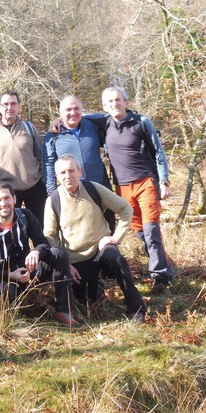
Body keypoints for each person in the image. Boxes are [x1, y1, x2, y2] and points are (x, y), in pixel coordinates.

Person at [44, 156, 145, 321]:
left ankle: (137, 309)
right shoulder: (53, 200)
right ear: (57, 176)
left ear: (80, 171)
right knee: (88, 300)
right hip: (75, 262)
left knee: (116, 259)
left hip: (101, 250)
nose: (67, 175)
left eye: (71, 170)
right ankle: (96, 291)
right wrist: (65, 264)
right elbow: (50, 235)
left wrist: (116, 238)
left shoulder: (94, 189)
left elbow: (125, 208)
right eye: (62, 172)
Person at [98, 86, 174, 294]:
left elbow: (158, 153)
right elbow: (78, 115)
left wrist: (164, 181)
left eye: (118, 100)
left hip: (145, 183)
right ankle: (165, 266)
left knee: (151, 230)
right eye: (110, 102)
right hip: (122, 188)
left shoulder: (141, 122)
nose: (115, 104)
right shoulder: (104, 123)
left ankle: (160, 277)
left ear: (126, 102)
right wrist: (58, 120)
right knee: (141, 232)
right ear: (104, 106)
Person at [0, 182, 80, 327]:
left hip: (29, 271)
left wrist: (36, 252)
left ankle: (63, 310)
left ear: (14, 199)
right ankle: (10, 320)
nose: (3, 203)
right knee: (3, 289)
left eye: (7, 198)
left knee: (59, 253)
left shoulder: (25, 215)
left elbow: (43, 242)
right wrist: (11, 275)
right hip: (4, 277)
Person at [0, 90, 47, 223]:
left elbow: (42, 157)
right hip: (7, 192)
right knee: (10, 230)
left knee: (40, 228)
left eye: (13, 103)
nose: (9, 107)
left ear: (18, 106)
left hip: (34, 187)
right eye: (5, 104)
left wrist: (44, 181)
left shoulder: (29, 128)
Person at [44, 95, 111, 194]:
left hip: (101, 187)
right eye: (68, 109)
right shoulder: (53, 135)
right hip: (73, 191)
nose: (73, 112)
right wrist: (52, 192)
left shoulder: (92, 125)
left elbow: (109, 116)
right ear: (61, 113)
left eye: (76, 109)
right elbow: (49, 164)